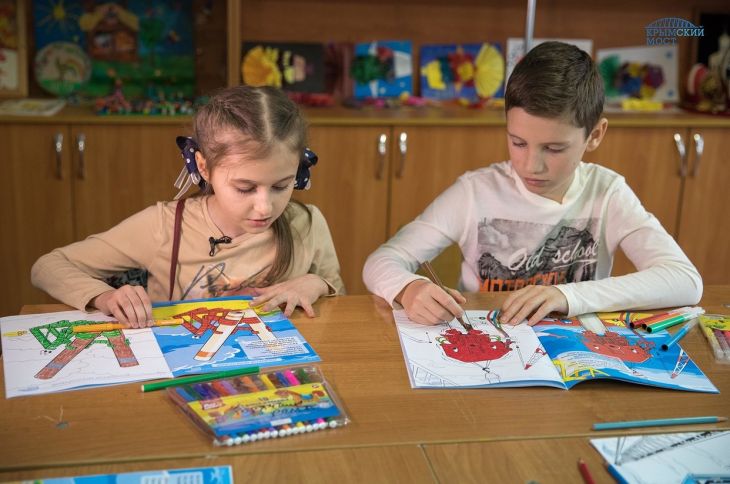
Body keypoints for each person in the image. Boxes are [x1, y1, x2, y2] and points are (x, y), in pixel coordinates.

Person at [363, 41, 702, 327]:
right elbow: (382, 261)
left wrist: (567, 295)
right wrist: (408, 288)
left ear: (595, 135)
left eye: (553, 148)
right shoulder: (474, 192)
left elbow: (684, 280)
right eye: (518, 142)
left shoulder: (607, 192)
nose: (530, 165)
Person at [32, 86, 344, 327]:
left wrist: (317, 283)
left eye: (281, 186)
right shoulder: (163, 225)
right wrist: (105, 296)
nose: (264, 207)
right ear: (204, 167)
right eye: (245, 188)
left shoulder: (308, 223)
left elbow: (339, 302)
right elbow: (48, 266)